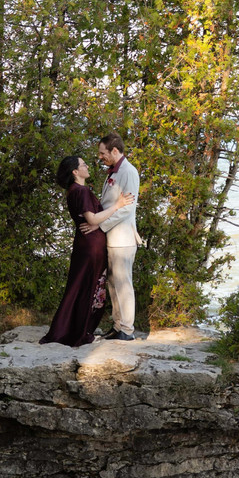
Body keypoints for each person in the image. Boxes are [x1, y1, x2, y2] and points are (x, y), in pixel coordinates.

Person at [41, 155, 135, 348]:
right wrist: (118, 205)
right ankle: (78, 330)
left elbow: (90, 220)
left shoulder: (74, 190)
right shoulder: (81, 190)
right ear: (75, 172)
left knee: (80, 286)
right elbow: (92, 220)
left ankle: (72, 328)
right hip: (91, 245)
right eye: (83, 164)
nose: (87, 166)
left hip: (86, 244)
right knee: (88, 287)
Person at [81, 131, 141, 341]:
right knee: (113, 284)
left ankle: (127, 330)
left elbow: (127, 208)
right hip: (112, 238)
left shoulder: (129, 172)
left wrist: (99, 225)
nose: (100, 157)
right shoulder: (114, 172)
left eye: (102, 152)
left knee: (124, 284)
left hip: (123, 239)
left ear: (114, 150)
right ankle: (118, 326)